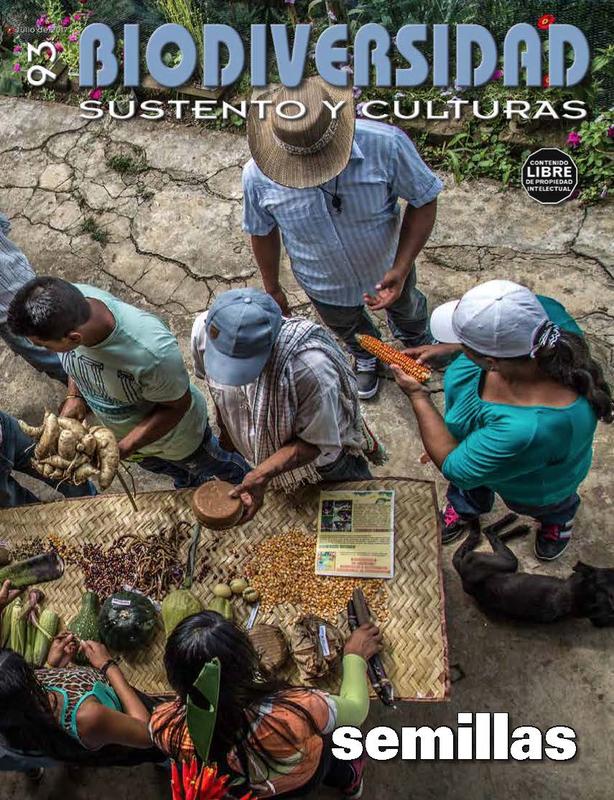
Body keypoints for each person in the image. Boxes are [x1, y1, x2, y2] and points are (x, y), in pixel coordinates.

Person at [243, 77, 444, 400]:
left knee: (408, 308)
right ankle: (366, 355)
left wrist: (403, 266)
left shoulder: (387, 145)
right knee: (351, 330)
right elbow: (262, 230)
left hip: (389, 266)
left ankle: (417, 338)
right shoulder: (257, 176)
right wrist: (272, 288)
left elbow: (424, 198)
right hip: (323, 284)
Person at [392, 279, 613, 561]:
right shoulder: (542, 320)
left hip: (532, 483)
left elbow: (455, 466)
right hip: (489, 444)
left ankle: (557, 521)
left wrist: (417, 396)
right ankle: (464, 507)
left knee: (549, 503)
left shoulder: (528, 429)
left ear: (490, 362)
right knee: (470, 488)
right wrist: (450, 349)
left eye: (466, 345)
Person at [7, 278, 249, 489]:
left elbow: (178, 405)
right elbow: (75, 357)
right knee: (177, 475)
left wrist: (121, 449)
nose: (44, 351)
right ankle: (190, 486)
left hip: (179, 442)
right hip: (137, 447)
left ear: (73, 338)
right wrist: (75, 396)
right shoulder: (69, 307)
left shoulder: (152, 352)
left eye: (45, 346)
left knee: (217, 464)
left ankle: (249, 484)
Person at [191, 288, 388, 521]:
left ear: (271, 346)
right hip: (263, 456)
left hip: (322, 466)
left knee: (359, 518)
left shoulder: (309, 368)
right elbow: (216, 390)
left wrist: (262, 473)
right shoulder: (204, 332)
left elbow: (316, 443)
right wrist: (227, 431)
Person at [150, 611, 382, 798]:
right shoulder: (291, 712)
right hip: (302, 777)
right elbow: (356, 710)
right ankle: (350, 781)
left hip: (247, 791)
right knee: (334, 756)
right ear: (248, 660)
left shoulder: (165, 723)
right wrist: (354, 656)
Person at [0, 613, 164, 766]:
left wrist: (52, 667)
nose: (35, 673)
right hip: (143, 725)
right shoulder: (87, 717)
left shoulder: (23, 703)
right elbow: (147, 734)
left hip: (120, 700)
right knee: (166, 749)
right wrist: (107, 665)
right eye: (28, 672)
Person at [0, 213, 66, 384]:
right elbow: (3, 223)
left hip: (6, 310)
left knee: (49, 354)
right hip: (20, 273)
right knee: (59, 332)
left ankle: (85, 392)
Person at [0, 410, 95, 508]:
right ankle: (44, 518)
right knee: (21, 511)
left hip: (4, 428)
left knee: (69, 475)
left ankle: (94, 505)